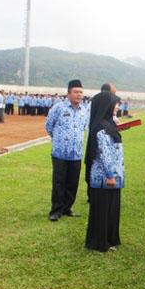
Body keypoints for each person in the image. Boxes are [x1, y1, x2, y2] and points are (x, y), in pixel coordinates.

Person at [84, 91, 124, 252]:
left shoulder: (108, 124)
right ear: (107, 106)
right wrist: (110, 175)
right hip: (104, 178)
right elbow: (105, 154)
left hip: (114, 176)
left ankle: (109, 239)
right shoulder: (100, 128)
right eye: (116, 104)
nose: (118, 107)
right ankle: (99, 242)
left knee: (111, 210)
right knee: (102, 211)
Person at [45, 79, 88, 221]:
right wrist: (58, 139)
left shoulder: (84, 110)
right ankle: (56, 211)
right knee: (59, 182)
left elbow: (83, 128)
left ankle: (67, 208)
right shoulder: (59, 108)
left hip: (76, 154)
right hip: (60, 153)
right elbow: (49, 126)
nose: (79, 95)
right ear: (68, 93)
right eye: (76, 92)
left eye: (81, 92)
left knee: (72, 183)